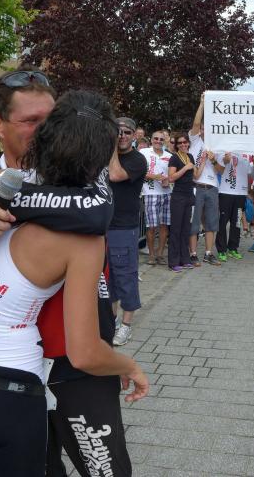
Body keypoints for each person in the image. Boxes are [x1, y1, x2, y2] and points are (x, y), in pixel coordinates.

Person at [0, 90, 148, 477]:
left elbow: (97, 212)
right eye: (30, 120)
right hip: (10, 377)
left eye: (47, 119)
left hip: (56, 374)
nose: (38, 128)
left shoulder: (7, 191)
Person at [108, 117, 148, 347]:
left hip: (124, 227)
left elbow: (115, 175)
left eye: (126, 132)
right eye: (117, 131)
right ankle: (112, 322)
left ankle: (126, 326)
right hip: (102, 227)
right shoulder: (104, 157)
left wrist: (111, 147)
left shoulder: (137, 160)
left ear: (134, 136)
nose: (121, 136)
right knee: (108, 279)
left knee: (126, 277)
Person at [188, 96, 224, 266]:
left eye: (206, 129)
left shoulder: (217, 146)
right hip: (196, 186)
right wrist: (202, 103)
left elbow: (221, 170)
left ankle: (208, 253)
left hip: (212, 187)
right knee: (194, 222)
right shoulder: (195, 141)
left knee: (211, 222)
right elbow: (195, 123)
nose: (203, 130)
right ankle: (193, 253)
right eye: (202, 128)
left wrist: (214, 160)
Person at [139, 130, 172, 265]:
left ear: (164, 141)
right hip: (150, 193)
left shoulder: (169, 156)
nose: (158, 141)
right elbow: (138, 170)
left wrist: (168, 180)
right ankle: (151, 255)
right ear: (151, 140)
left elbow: (172, 175)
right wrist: (155, 177)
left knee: (164, 226)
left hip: (166, 193)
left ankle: (160, 254)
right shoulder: (143, 152)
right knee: (151, 226)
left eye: (161, 139)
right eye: (156, 138)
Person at [167, 132, 197, 271]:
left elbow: (196, 175)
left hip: (189, 195)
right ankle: (173, 262)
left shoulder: (190, 157)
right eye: (180, 143)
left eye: (185, 142)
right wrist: (185, 168)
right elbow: (171, 177)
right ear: (176, 145)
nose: (183, 145)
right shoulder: (174, 158)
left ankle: (185, 259)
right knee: (176, 229)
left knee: (186, 229)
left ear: (188, 143)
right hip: (178, 196)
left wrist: (203, 161)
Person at [216, 151, 250, 261]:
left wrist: (248, 192)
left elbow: (248, 173)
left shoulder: (247, 153)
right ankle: (221, 250)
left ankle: (233, 248)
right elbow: (220, 168)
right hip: (225, 192)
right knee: (223, 222)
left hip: (241, 193)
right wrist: (226, 159)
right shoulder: (224, 151)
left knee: (237, 222)